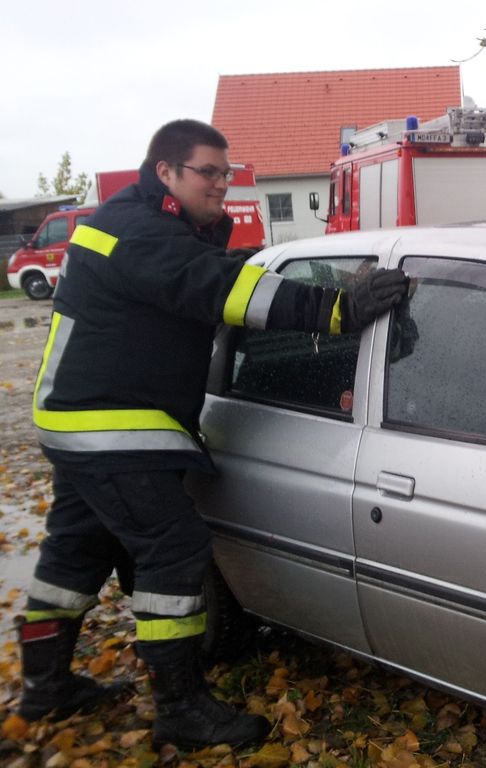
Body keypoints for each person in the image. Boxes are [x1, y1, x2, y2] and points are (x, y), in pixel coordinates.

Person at [19, 120, 408, 749]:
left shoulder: (140, 221)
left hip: (78, 416)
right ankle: (180, 706)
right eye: (210, 172)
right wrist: (338, 308)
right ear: (167, 170)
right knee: (173, 549)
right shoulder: (140, 232)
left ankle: (44, 688)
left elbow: (211, 272)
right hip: (109, 423)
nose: (223, 186)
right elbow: (218, 285)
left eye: (228, 174)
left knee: (74, 553)